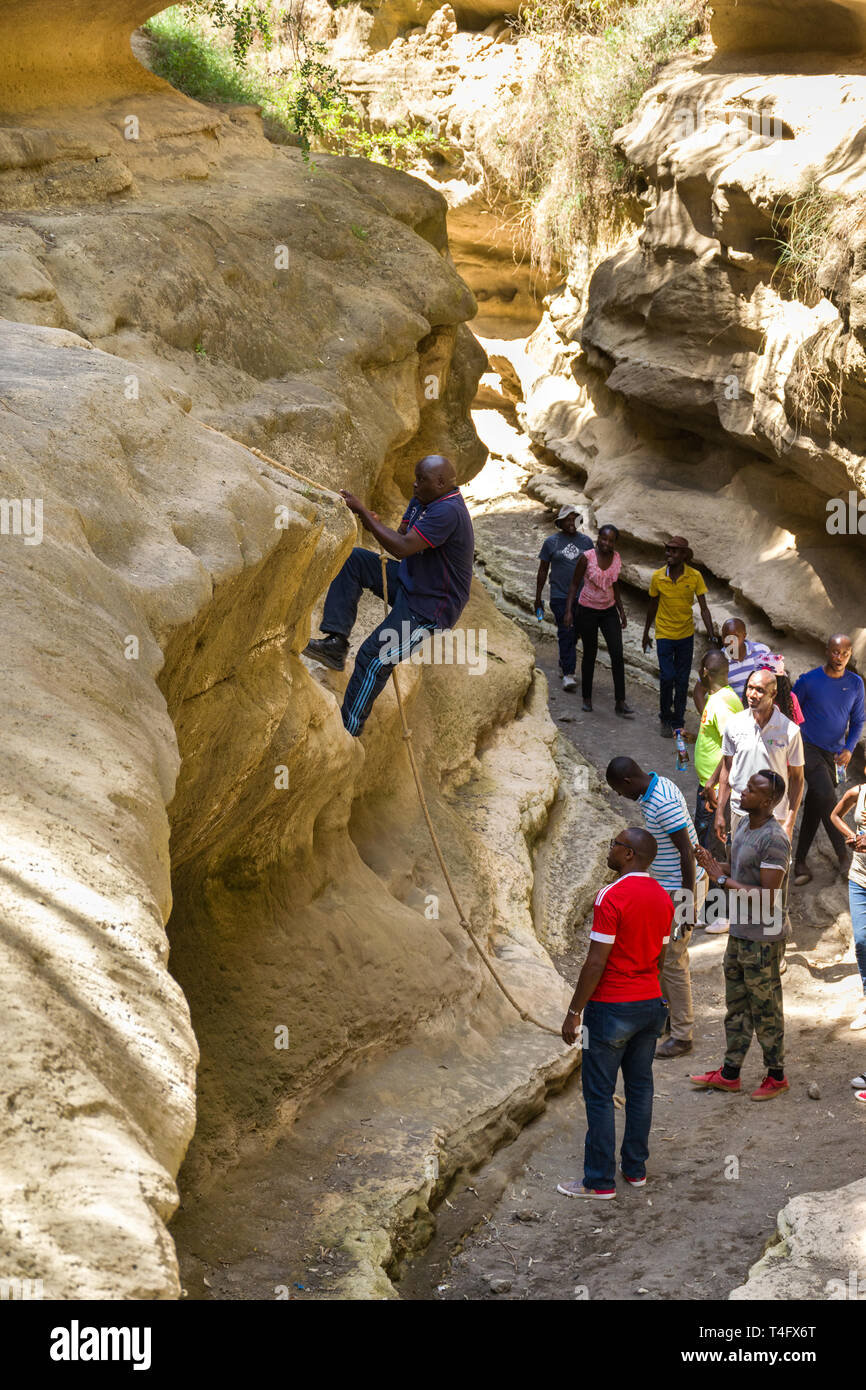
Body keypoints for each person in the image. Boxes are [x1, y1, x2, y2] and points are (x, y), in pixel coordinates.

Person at [303, 455, 474, 736]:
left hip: (430, 607)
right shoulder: (425, 498)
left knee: (375, 657)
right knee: (356, 560)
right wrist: (373, 521)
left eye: (422, 480)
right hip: (412, 583)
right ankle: (335, 643)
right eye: (416, 478)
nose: (415, 485)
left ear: (441, 483)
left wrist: (364, 516)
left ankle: (349, 730)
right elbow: (404, 533)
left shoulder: (448, 511)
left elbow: (403, 547)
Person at [557, 828, 673, 1198]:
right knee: (640, 1088)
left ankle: (599, 1181)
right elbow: (661, 957)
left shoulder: (611, 896)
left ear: (629, 854)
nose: (610, 849)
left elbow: (595, 962)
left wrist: (574, 1011)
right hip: (650, 1003)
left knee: (599, 1093)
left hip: (611, 1008)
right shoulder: (663, 897)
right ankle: (636, 1169)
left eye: (614, 845)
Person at [690, 770, 791, 1101]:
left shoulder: (775, 840)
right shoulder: (745, 825)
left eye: (751, 790)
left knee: (765, 1006)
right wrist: (712, 864)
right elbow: (739, 870)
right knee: (736, 1004)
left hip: (763, 936)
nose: (742, 792)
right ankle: (730, 1073)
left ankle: (776, 1076)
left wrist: (719, 880)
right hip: (741, 930)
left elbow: (766, 896)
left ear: (767, 801)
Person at [605, 757, 705, 1057]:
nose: (621, 797)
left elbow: (686, 852)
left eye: (619, 792)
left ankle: (683, 1035)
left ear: (627, 782)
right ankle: (664, 1018)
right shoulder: (655, 785)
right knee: (659, 952)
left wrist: (686, 901)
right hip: (668, 887)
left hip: (680, 888)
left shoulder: (661, 802)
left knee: (673, 959)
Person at [792, 634, 865, 886]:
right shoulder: (809, 681)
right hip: (808, 747)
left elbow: (857, 721)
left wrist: (849, 748)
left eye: (845, 653)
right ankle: (844, 856)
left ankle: (799, 860)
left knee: (816, 804)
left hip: (835, 754)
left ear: (850, 654)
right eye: (835, 652)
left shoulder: (855, 684)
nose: (839, 658)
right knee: (827, 796)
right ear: (827, 651)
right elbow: (791, 711)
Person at [714, 669, 804, 847]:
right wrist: (719, 812)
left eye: (760, 690)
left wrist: (789, 823)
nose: (752, 695)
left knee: (771, 869)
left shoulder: (790, 731)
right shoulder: (734, 724)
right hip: (739, 812)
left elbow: (797, 779)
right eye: (750, 688)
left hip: (774, 816)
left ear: (773, 693)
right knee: (737, 866)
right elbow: (726, 768)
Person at [642, 537, 716, 738]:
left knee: (682, 680)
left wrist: (711, 635)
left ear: (684, 555)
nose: (669, 554)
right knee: (667, 677)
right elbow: (652, 606)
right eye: (668, 550)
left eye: (675, 551)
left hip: (685, 635)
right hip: (664, 633)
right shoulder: (658, 577)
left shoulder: (694, 576)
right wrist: (646, 632)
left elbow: (704, 608)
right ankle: (665, 717)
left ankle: (678, 721)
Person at [692, 651, 742, 933]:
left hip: (716, 793)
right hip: (710, 788)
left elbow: (732, 751)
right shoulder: (721, 697)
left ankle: (723, 913)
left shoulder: (722, 705)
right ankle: (710, 910)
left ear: (704, 671)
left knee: (712, 850)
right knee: (706, 847)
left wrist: (715, 789)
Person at [564, 524, 633, 717]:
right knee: (590, 653)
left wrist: (621, 610)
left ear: (614, 543)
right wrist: (569, 611)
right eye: (603, 538)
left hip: (609, 610)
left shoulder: (616, 558)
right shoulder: (587, 558)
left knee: (617, 654)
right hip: (587, 610)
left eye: (611, 540)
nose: (606, 543)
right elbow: (574, 585)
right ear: (598, 538)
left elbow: (615, 584)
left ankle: (620, 701)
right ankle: (587, 698)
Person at [534, 505, 593, 692]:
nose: (571, 522)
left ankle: (563, 661)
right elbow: (543, 570)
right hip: (560, 596)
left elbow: (593, 570)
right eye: (567, 519)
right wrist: (538, 597)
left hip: (582, 597)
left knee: (574, 634)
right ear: (560, 522)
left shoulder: (587, 542)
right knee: (566, 630)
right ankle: (569, 673)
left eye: (574, 518)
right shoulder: (551, 542)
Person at [830, 781, 866, 1029]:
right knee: (862, 941)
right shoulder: (858, 792)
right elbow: (834, 814)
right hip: (859, 879)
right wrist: (851, 836)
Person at [716, 618, 771, 702]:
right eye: (726, 637)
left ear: (744, 636)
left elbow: (778, 679)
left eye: (735, 637)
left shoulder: (762, 651)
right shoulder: (718, 661)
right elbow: (699, 691)